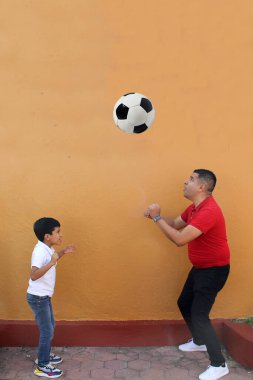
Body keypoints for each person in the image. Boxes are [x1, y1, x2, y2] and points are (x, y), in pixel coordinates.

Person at [144, 169, 230, 380]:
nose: (185, 181)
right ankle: (200, 341)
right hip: (201, 268)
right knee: (184, 303)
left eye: (191, 179)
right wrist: (158, 217)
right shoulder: (194, 208)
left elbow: (180, 239)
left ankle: (219, 364)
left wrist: (156, 218)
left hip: (214, 270)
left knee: (200, 315)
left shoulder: (208, 211)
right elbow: (174, 225)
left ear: (201, 187)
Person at [27, 217, 76, 378]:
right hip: (38, 298)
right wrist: (52, 262)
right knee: (47, 331)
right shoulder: (39, 251)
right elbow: (34, 275)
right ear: (47, 236)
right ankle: (42, 365)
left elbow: (52, 260)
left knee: (50, 327)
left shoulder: (47, 248)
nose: (61, 235)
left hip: (43, 297)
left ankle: (45, 355)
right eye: (58, 232)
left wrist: (62, 253)